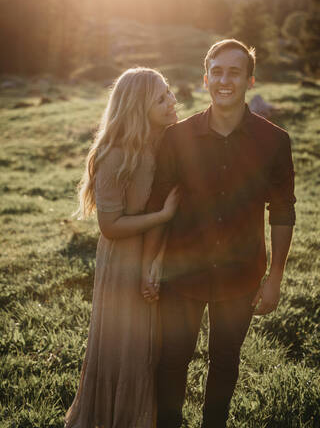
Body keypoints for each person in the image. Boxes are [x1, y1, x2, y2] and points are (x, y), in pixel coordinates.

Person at [141, 39, 296, 428]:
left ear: (250, 80)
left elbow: (282, 211)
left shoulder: (275, 141)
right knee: (172, 359)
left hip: (242, 272)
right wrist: (151, 261)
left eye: (235, 72)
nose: (225, 80)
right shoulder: (177, 138)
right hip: (182, 270)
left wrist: (274, 278)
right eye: (218, 71)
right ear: (206, 77)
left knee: (225, 361)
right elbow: (160, 205)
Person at [65, 67, 179, 428]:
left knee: (151, 346)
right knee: (127, 347)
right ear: (136, 107)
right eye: (160, 98)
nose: (171, 101)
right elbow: (110, 227)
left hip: (158, 253)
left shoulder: (166, 142)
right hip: (123, 261)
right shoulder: (115, 154)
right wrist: (163, 215)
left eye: (169, 92)